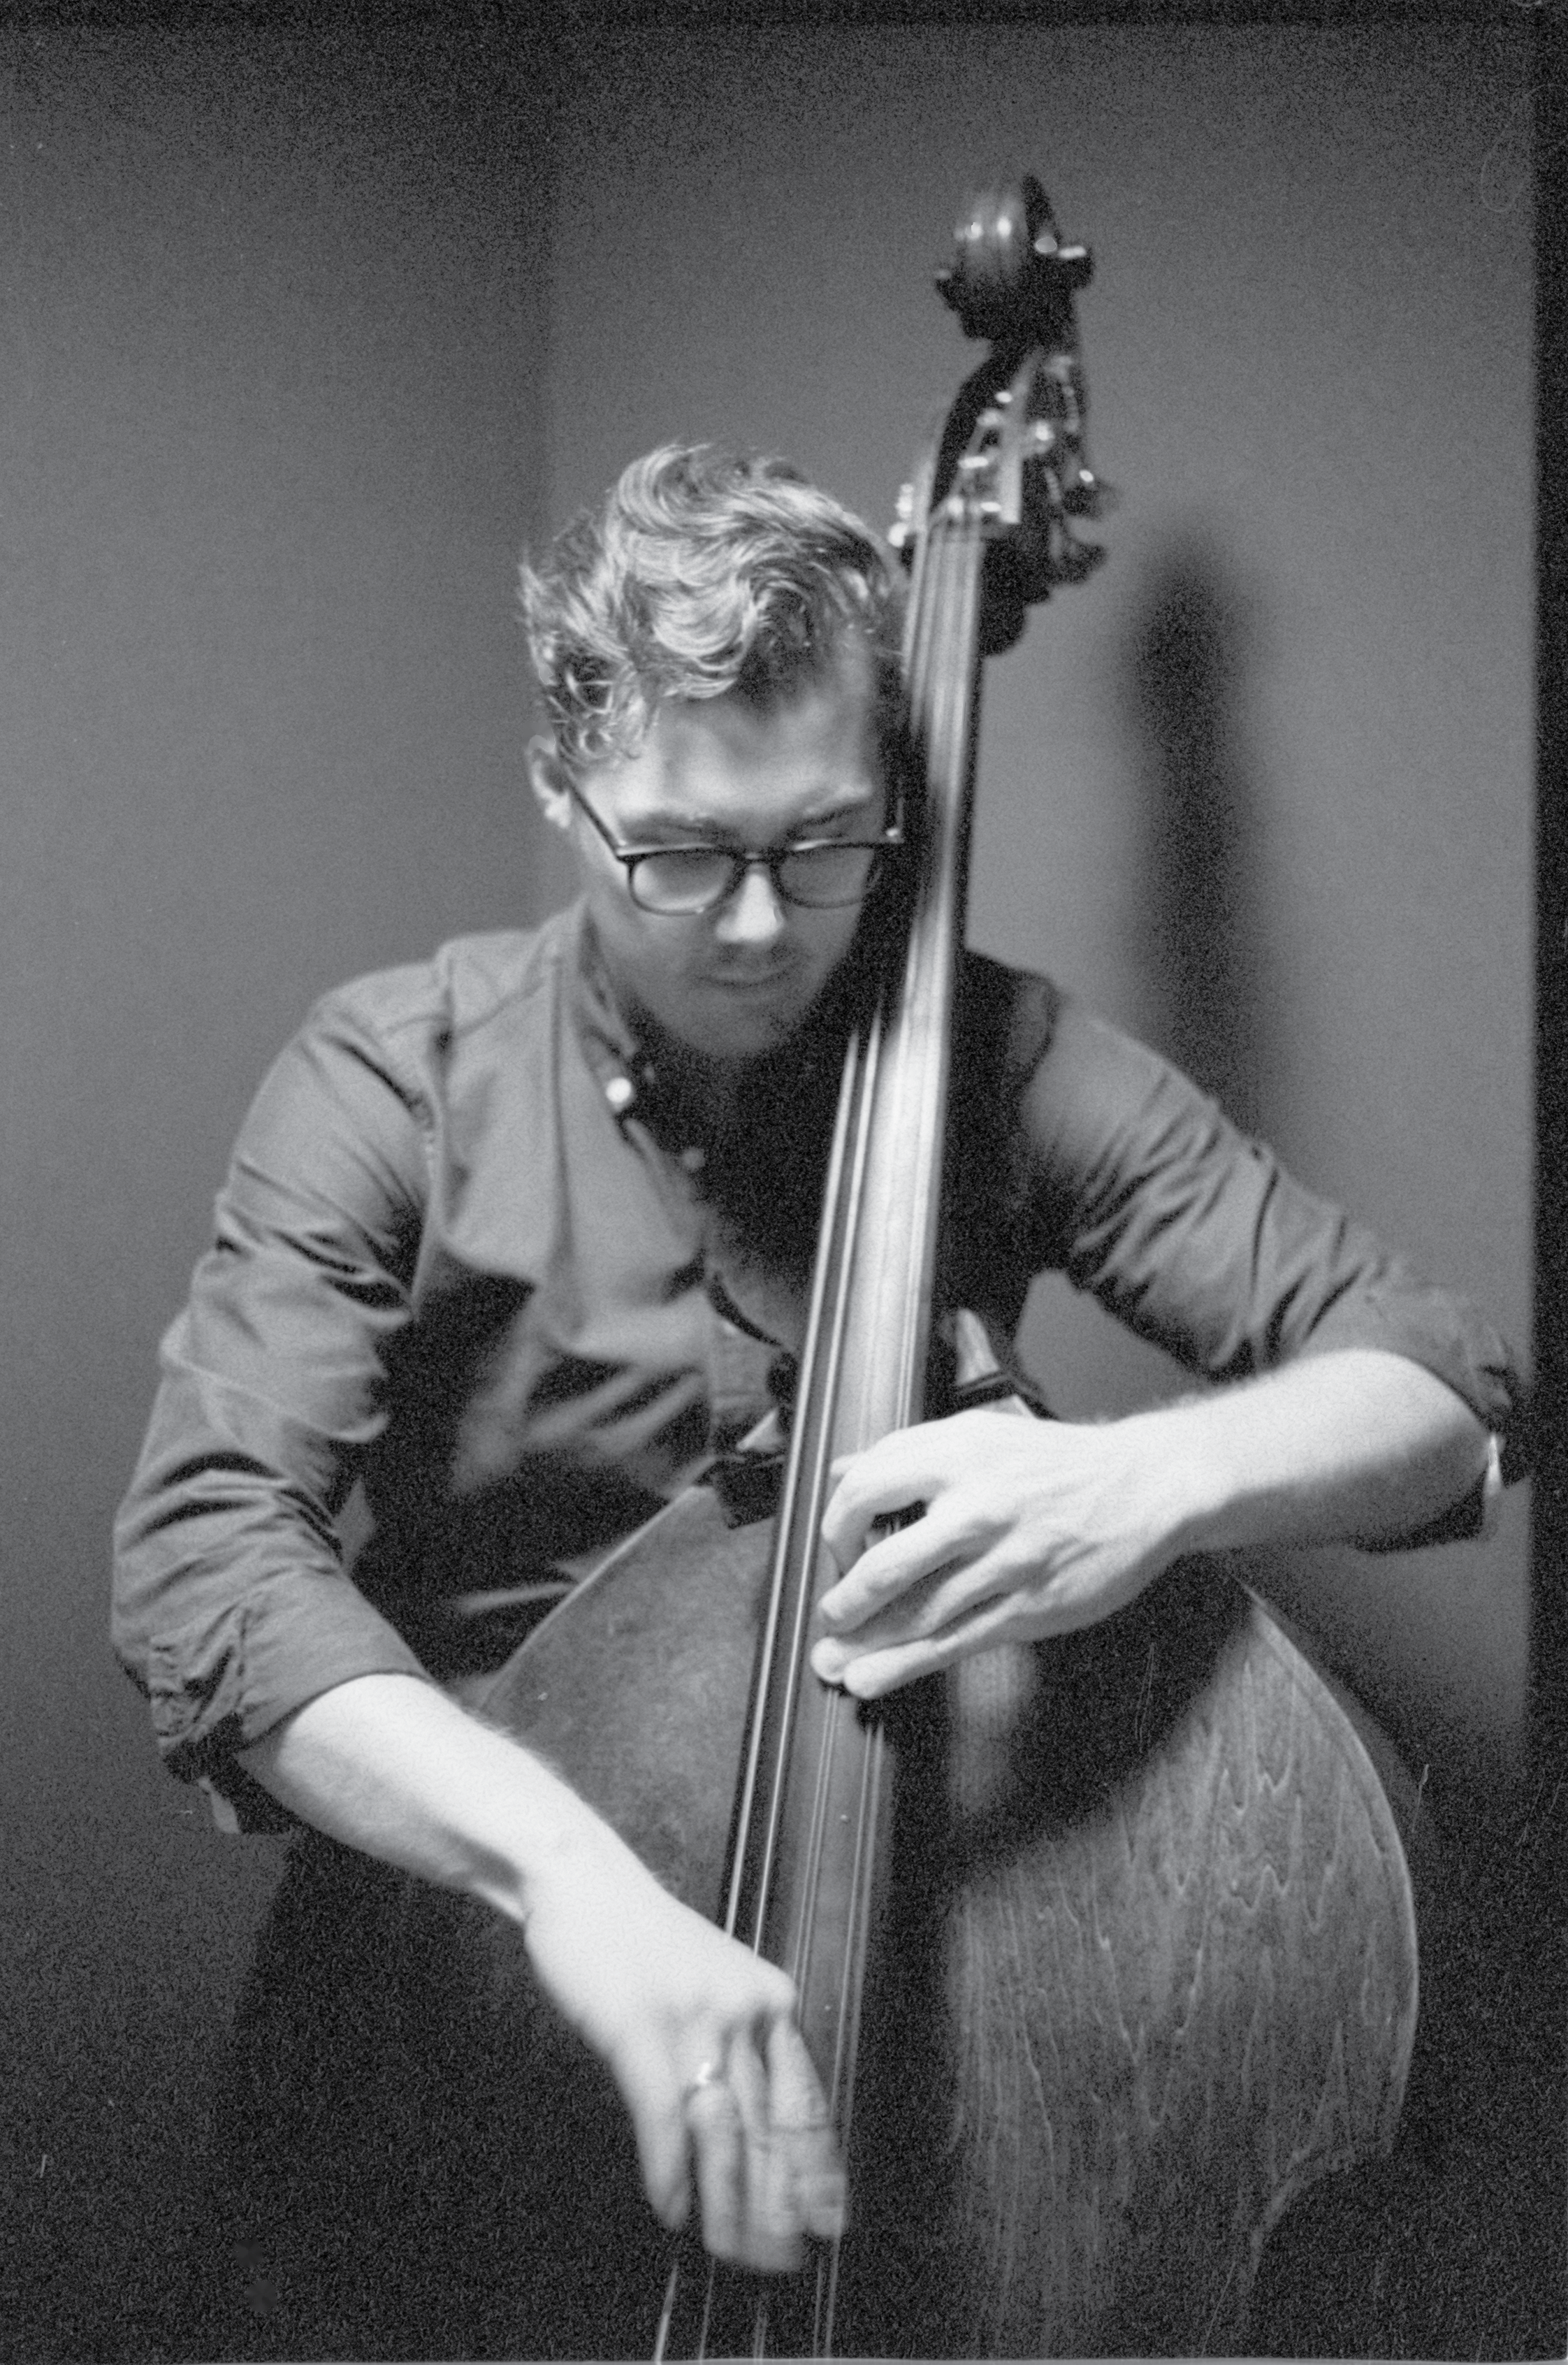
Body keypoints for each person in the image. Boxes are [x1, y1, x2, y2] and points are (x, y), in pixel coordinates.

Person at [113, 443, 1524, 2358]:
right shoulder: (396, 1074)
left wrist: (1145, 1483)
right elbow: (209, 1568)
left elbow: (1440, 1386)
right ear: (564, 783)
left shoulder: (1002, 1058)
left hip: (892, 1946)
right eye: (680, 854)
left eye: (825, 844)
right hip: (466, 1975)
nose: (765, 926)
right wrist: (571, 1889)